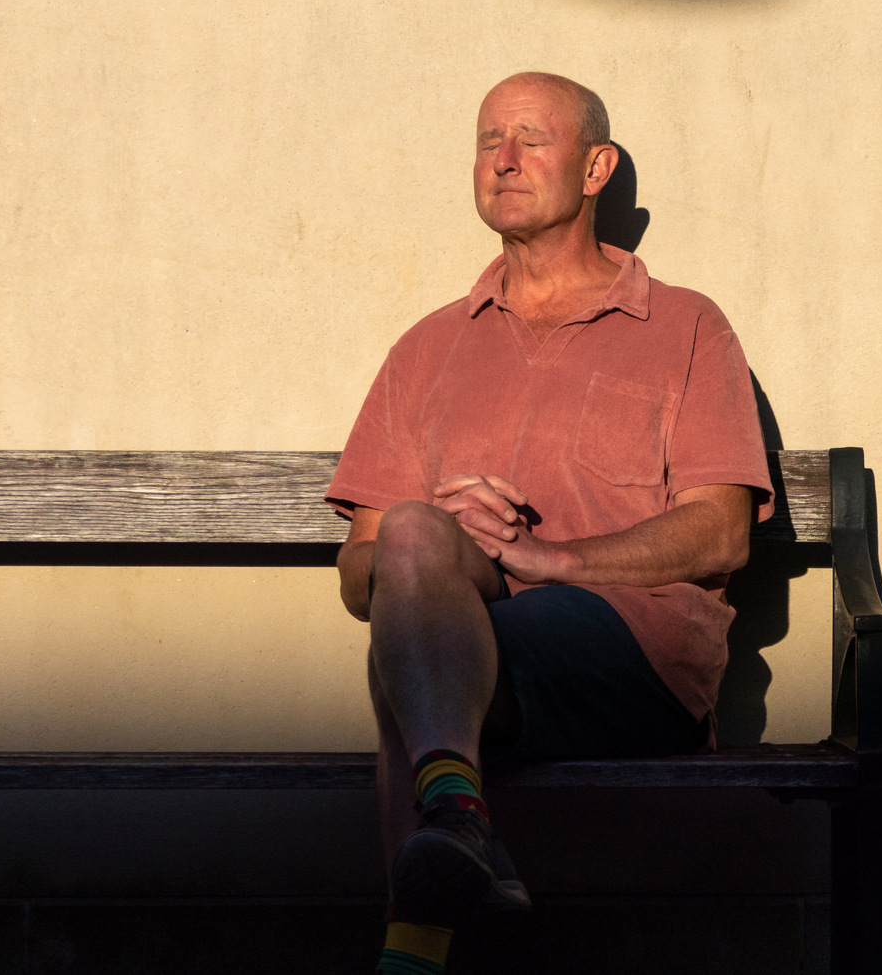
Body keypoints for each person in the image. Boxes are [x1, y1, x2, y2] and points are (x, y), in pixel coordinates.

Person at [327, 72, 773, 975]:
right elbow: (356, 573)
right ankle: (458, 820)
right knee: (410, 552)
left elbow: (722, 533)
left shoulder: (685, 325)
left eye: (531, 138)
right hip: (472, 644)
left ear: (597, 166)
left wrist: (547, 555)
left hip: (633, 648)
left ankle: (415, 941)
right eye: (489, 139)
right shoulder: (430, 346)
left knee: (410, 677)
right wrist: (438, 529)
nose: (503, 158)